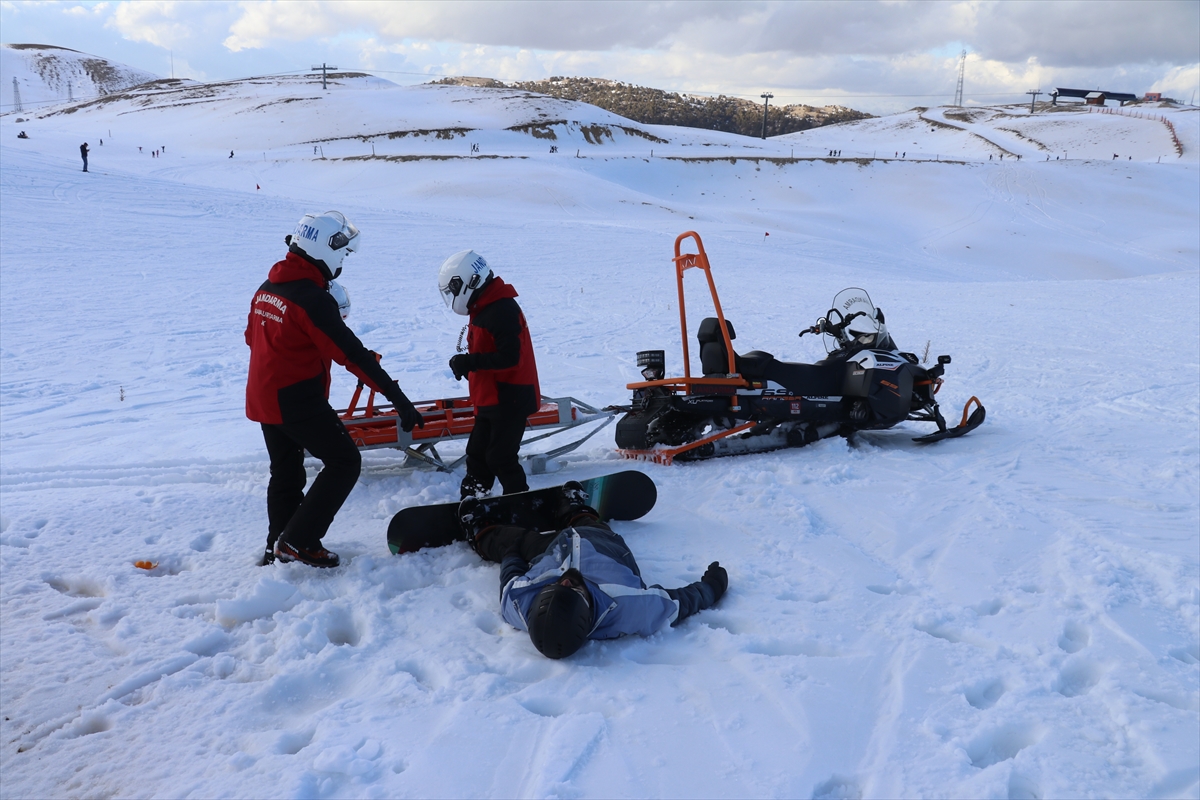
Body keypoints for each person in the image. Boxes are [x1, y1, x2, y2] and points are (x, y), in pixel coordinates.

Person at [245, 211, 424, 568]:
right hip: (296, 398)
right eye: (341, 251)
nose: (343, 258)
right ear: (322, 247)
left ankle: (279, 545)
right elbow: (351, 354)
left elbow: (252, 338)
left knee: (286, 473)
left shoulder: (267, 289)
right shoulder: (311, 298)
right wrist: (398, 398)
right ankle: (299, 541)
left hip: (263, 396)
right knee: (344, 461)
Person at [460, 486, 728, 659]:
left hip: (552, 552)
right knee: (587, 521)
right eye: (573, 589)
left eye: (556, 586)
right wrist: (712, 588)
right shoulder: (629, 607)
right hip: (602, 544)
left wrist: (511, 553)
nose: (566, 579)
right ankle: (573, 510)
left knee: (508, 542)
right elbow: (680, 603)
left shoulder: (518, 604)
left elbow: (510, 578)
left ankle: (480, 530)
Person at [439, 250, 540, 498]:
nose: (453, 297)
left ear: (469, 281)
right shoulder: (484, 307)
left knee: (500, 456)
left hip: (510, 396)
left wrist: (469, 361)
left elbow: (510, 357)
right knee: (477, 453)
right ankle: (473, 501)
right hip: (491, 397)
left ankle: (520, 503)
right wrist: (466, 364)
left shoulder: (501, 309)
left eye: (453, 289)